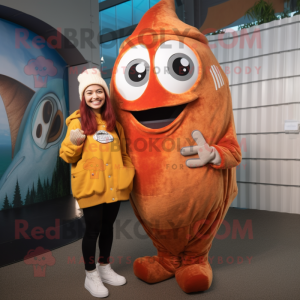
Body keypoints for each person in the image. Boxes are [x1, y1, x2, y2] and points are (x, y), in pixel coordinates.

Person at [59, 68, 135, 298]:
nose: (95, 96)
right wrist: (74, 143)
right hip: (91, 187)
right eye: (89, 92)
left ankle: (105, 267)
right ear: (84, 97)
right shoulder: (77, 122)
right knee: (92, 230)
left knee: (108, 228)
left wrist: (127, 172)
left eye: (99, 91)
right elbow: (67, 156)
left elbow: (123, 155)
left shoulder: (115, 124)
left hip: (114, 186)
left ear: (105, 94)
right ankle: (91, 275)